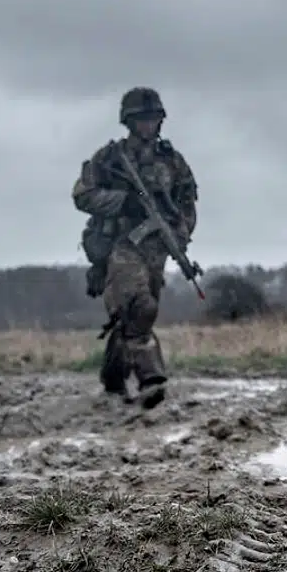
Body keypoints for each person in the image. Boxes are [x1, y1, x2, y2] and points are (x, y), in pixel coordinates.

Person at [70, 87, 198, 409]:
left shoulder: (172, 161)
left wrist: (179, 235)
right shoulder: (110, 159)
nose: (148, 125)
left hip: (156, 248)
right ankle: (151, 378)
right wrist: (123, 203)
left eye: (153, 119)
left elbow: (186, 204)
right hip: (119, 246)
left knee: (134, 318)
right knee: (140, 307)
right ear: (128, 122)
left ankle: (113, 379)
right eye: (141, 119)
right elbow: (82, 195)